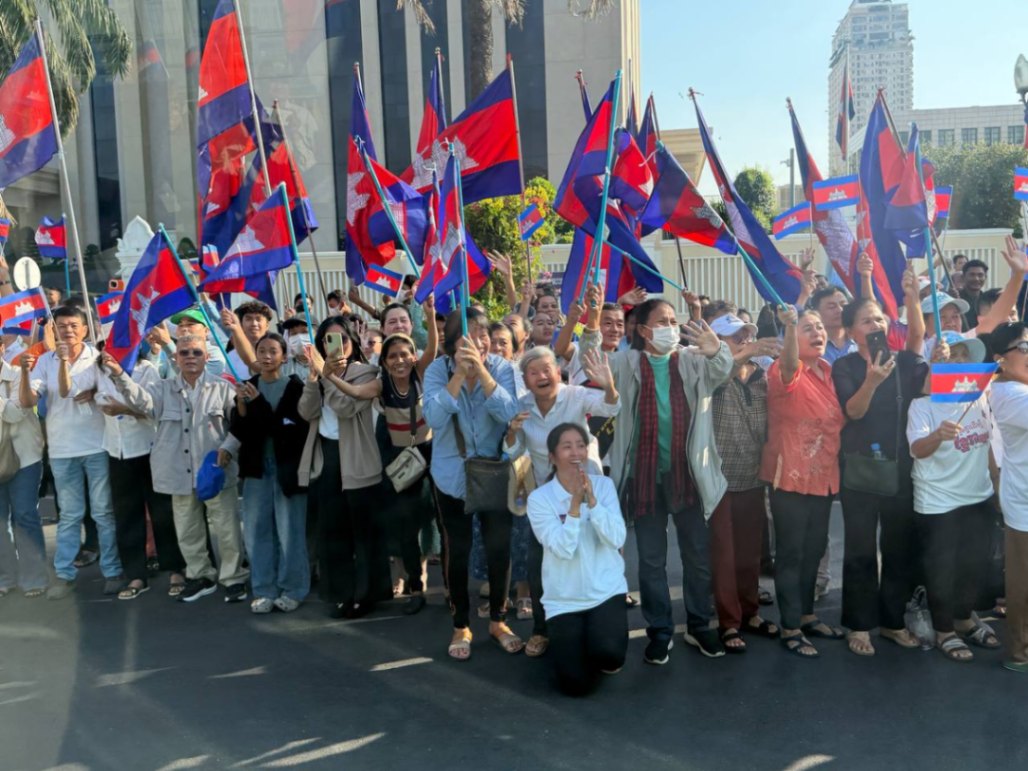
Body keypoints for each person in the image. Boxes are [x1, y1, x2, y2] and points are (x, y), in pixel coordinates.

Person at [581, 297, 733, 663]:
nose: (670, 327)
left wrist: (718, 349)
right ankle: (660, 631)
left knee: (697, 557)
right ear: (644, 330)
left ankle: (699, 626)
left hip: (689, 475)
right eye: (662, 321)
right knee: (650, 561)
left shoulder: (693, 360)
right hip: (644, 478)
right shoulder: (626, 363)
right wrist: (592, 319)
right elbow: (590, 359)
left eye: (673, 321)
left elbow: (722, 371)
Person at [104, 335, 249, 604]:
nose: (190, 357)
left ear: (207, 357)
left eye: (196, 352)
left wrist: (228, 448)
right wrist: (118, 374)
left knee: (227, 528)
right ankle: (200, 576)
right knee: (187, 529)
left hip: (214, 471)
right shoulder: (161, 389)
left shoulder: (223, 388)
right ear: (176, 358)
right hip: (177, 471)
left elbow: (240, 424)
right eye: (184, 353)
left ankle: (233, 578)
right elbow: (140, 402)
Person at [504, 344, 620, 658]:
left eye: (547, 369)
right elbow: (513, 451)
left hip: (586, 490)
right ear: (526, 380)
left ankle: (599, 619)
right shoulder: (522, 407)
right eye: (533, 372)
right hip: (547, 498)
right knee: (539, 563)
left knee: (593, 556)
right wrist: (512, 432)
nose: (542, 376)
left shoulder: (575, 395)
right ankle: (541, 629)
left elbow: (611, 408)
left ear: (559, 372)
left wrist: (609, 386)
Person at [832, 275, 927, 656]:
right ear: (852, 331)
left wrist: (913, 299)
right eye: (867, 320)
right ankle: (859, 625)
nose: (876, 325)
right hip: (860, 470)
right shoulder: (845, 367)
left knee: (898, 547)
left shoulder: (904, 361)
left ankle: (892, 622)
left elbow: (921, 350)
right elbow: (853, 412)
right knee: (860, 549)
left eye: (879, 318)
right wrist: (871, 381)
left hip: (901, 469)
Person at [423, 308, 520, 661]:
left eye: (484, 334)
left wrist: (482, 373)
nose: (480, 342)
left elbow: (511, 413)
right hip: (452, 475)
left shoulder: (503, 368)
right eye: (471, 334)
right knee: (458, 550)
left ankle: (498, 621)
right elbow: (433, 418)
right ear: (452, 343)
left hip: (494, 472)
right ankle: (460, 625)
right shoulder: (437, 370)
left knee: (499, 547)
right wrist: (459, 376)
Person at [907, 332, 999, 662]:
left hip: (979, 495)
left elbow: (988, 447)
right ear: (935, 364)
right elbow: (917, 449)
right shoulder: (921, 405)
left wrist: (996, 486)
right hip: (939, 501)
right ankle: (945, 630)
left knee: (974, 564)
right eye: (950, 357)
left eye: (964, 356)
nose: (959, 362)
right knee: (941, 569)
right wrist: (937, 435)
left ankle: (963, 618)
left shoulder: (979, 398)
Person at [21, 306, 123, 600]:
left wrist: (95, 392)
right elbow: (28, 401)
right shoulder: (45, 360)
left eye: (73, 325)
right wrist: (26, 373)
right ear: (54, 330)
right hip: (62, 449)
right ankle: (64, 574)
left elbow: (113, 392)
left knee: (103, 512)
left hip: (97, 445)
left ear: (85, 329)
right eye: (62, 326)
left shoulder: (97, 357)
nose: (68, 330)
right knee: (69, 514)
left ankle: (112, 570)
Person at [761, 307, 846, 658]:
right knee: (791, 553)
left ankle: (807, 615)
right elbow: (788, 364)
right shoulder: (784, 368)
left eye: (820, 327)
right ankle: (790, 626)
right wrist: (791, 323)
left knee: (814, 549)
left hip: (824, 475)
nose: (818, 333)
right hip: (791, 474)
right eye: (807, 328)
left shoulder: (829, 371)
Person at [527, 423, 628, 696]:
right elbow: (562, 549)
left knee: (610, 656)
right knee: (575, 686)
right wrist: (574, 507)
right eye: (567, 446)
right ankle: (571, 645)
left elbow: (617, 538)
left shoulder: (604, 486)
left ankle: (596, 642)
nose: (576, 453)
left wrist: (593, 503)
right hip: (564, 600)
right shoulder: (539, 499)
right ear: (552, 456)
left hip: (605, 592)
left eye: (581, 445)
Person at [297, 316, 386, 619]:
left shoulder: (365, 372)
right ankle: (339, 593)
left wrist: (328, 377)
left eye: (342, 339)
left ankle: (366, 594)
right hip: (327, 456)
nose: (336, 346)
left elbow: (346, 406)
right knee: (332, 530)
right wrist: (314, 378)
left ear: (352, 341)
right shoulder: (318, 372)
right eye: (328, 341)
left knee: (363, 530)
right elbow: (306, 411)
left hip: (357, 455)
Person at [708, 313, 781, 652]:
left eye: (746, 335)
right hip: (719, 480)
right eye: (734, 336)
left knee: (750, 554)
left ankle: (750, 612)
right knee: (724, 555)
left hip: (754, 477)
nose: (744, 340)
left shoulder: (764, 376)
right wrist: (745, 353)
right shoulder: (712, 373)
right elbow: (718, 376)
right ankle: (729, 622)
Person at [226, 333, 311, 614]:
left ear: (284, 357)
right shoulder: (248, 387)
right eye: (261, 350)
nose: (266, 356)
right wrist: (241, 406)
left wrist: (258, 404)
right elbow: (241, 430)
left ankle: (293, 588)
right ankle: (264, 589)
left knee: (290, 531)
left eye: (273, 351)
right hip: (256, 468)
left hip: (288, 469)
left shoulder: (295, 388)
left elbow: (287, 430)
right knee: (256, 531)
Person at [96, 356, 186, 600]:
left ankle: (175, 569)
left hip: (148, 448)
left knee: (162, 512)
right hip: (117, 451)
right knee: (126, 516)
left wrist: (124, 409)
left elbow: (154, 408)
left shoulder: (146, 369)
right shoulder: (97, 370)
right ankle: (136, 574)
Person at [372, 302, 438, 616]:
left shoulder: (422, 369)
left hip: (430, 453)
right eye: (391, 321)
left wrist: (430, 318)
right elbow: (357, 393)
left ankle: (438, 580)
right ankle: (413, 583)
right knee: (404, 522)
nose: (400, 360)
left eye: (403, 320)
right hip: (396, 455)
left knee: (434, 519)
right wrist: (328, 374)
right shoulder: (378, 376)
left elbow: (433, 349)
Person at [983, 322, 1028, 672]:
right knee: (1023, 580)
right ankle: (1020, 652)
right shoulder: (1008, 394)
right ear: (1001, 358)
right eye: (1023, 348)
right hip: (1024, 501)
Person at [0, 339, 47, 598]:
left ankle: (34, 578)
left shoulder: (20, 374)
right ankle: (5, 578)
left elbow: (16, 413)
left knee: (25, 515)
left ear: (1, 348)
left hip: (24, 458)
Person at [809, 285, 857, 365]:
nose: (840, 310)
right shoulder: (811, 345)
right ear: (817, 313)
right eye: (831, 307)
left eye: (843, 305)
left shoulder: (860, 340)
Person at [959, 259, 989, 330]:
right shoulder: (956, 300)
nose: (976, 279)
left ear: (985, 277)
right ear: (963, 277)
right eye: (972, 275)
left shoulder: (988, 301)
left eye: (980, 275)